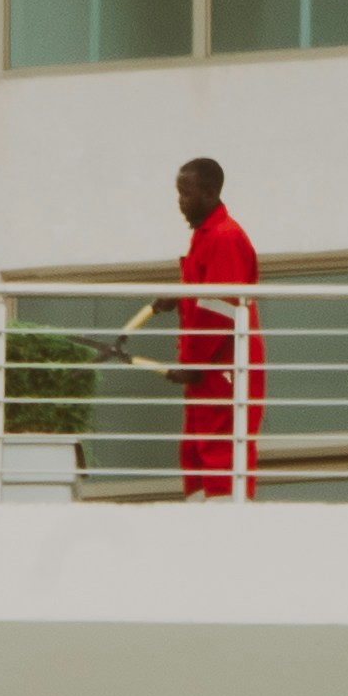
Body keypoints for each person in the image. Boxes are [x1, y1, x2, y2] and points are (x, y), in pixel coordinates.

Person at [128, 157, 262, 499]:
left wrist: (190, 366)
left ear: (209, 191)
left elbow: (218, 310)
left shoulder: (224, 237)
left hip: (225, 371)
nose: (180, 202)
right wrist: (178, 295)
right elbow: (206, 298)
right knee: (196, 454)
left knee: (220, 454)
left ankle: (222, 533)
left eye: (185, 194)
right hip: (209, 371)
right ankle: (201, 528)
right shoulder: (207, 237)